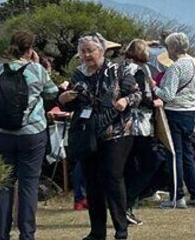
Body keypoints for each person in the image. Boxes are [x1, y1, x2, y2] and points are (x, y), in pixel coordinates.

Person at [59, 33, 140, 240]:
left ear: (101, 51)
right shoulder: (78, 74)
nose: (87, 55)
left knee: (112, 177)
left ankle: (121, 228)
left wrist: (125, 101)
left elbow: (138, 94)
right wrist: (64, 98)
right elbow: (73, 102)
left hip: (117, 130)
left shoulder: (118, 69)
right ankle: (97, 231)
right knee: (92, 181)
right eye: (83, 51)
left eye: (90, 51)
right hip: (89, 132)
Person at [0, 31, 59, 240]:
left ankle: (1, 234)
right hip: (32, 134)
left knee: (3, 183)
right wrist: (44, 68)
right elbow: (52, 93)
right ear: (30, 49)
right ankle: (27, 234)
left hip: (2, 135)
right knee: (28, 184)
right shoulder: (37, 71)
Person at [153, 32, 195, 208]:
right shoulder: (193, 65)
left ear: (173, 48)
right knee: (188, 154)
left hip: (174, 113)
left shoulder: (175, 68)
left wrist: (154, 88)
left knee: (174, 155)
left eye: (168, 47)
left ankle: (177, 196)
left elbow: (167, 94)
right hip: (191, 113)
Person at [121, 39, 162, 226]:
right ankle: (127, 202)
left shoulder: (122, 67)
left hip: (123, 124)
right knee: (149, 163)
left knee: (130, 166)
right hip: (139, 124)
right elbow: (139, 96)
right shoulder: (138, 71)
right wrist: (154, 103)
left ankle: (126, 206)